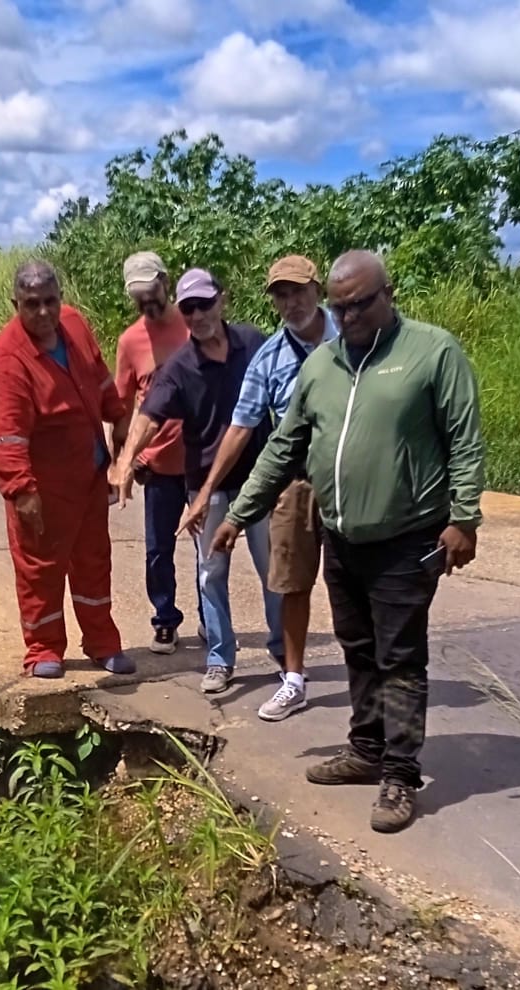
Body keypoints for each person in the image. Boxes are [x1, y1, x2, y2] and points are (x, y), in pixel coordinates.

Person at [211, 250, 484, 833]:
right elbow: (284, 448)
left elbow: (464, 437)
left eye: (359, 303)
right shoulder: (322, 366)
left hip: (407, 537)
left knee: (400, 655)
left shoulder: (432, 352)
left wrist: (465, 518)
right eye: (341, 306)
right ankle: (365, 750)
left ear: (389, 293)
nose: (349, 315)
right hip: (342, 537)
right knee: (357, 647)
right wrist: (239, 513)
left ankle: (401, 774)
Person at [179, 256, 338, 722]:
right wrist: (209, 493)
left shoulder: (353, 337)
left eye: (299, 291)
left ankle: (374, 681)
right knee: (288, 580)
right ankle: (292, 678)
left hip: (353, 481)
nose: (291, 302)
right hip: (295, 484)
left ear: (318, 288)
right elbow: (241, 427)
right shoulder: (268, 357)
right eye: (281, 294)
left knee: (356, 585)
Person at [115, 268, 282, 694]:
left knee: (272, 570)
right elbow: (148, 417)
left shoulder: (253, 343)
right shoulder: (180, 367)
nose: (197, 315)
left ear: (221, 300)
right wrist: (125, 461)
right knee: (212, 573)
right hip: (204, 485)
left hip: (258, 479)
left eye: (204, 304)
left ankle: (284, 653)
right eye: (188, 308)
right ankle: (220, 658)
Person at [0, 260, 135, 679]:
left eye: (51, 301)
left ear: (61, 298)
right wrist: (21, 490)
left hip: (88, 478)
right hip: (43, 490)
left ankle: (102, 644)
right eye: (32, 304)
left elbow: (99, 377)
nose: (44, 313)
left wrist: (117, 414)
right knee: (41, 572)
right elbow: (7, 436)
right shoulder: (8, 360)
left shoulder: (74, 326)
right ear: (16, 303)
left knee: (93, 563)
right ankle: (43, 648)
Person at [114, 251, 202, 654]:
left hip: (203, 462)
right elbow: (121, 408)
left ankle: (212, 621)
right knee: (157, 551)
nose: (148, 302)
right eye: (139, 297)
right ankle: (165, 620)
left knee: (210, 550)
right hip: (158, 466)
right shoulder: (130, 341)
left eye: (153, 292)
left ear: (166, 282)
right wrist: (121, 465)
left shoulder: (196, 324)